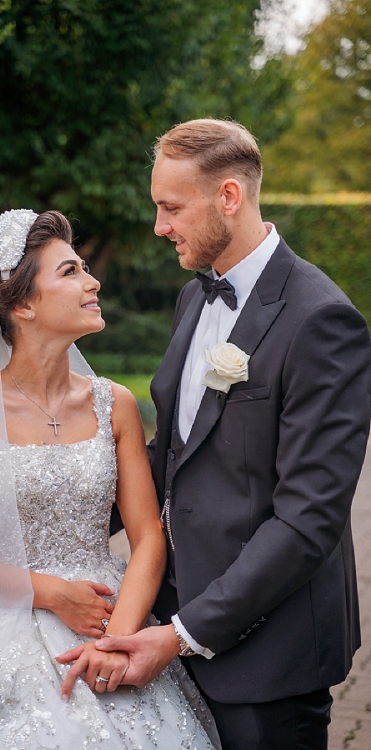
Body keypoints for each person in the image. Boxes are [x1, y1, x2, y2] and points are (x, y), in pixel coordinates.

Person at [60, 119, 371, 749]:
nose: (159, 226)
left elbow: (307, 521)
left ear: (229, 196)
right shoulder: (193, 298)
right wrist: (57, 526)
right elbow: (173, 455)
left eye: (171, 207)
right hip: (172, 620)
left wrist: (177, 635)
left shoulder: (323, 320)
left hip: (269, 653)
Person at [0, 209, 220, 748]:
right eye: (70, 271)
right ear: (25, 305)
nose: (92, 280)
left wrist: (120, 639)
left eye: (83, 266)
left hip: (108, 617)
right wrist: (53, 593)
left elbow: (149, 535)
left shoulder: (114, 403)